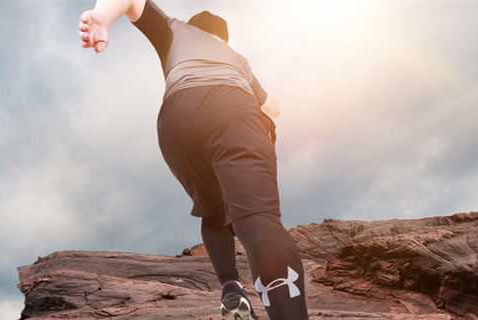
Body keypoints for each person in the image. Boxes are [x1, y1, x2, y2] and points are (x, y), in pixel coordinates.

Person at [78, 1, 308, 319]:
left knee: (213, 211)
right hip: (233, 109)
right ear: (223, 37)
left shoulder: (175, 30)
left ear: (194, 25)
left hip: (177, 120)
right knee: (258, 220)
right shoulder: (238, 59)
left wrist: (101, 17)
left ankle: (231, 287)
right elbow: (272, 107)